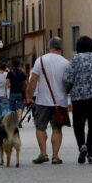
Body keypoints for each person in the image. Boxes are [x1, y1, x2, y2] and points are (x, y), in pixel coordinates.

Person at [26, 37, 69, 165]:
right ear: (61, 47)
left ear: (48, 46)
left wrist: (29, 96)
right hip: (60, 102)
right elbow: (69, 83)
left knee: (40, 127)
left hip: (43, 101)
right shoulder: (66, 63)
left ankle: (43, 153)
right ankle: (55, 156)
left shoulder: (40, 60)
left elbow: (33, 80)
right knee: (57, 129)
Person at [63, 36, 92, 165]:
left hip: (78, 99)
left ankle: (82, 145)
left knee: (78, 124)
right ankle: (91, 155)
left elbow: (67, 78)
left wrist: (68, 89)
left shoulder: (75, 59)